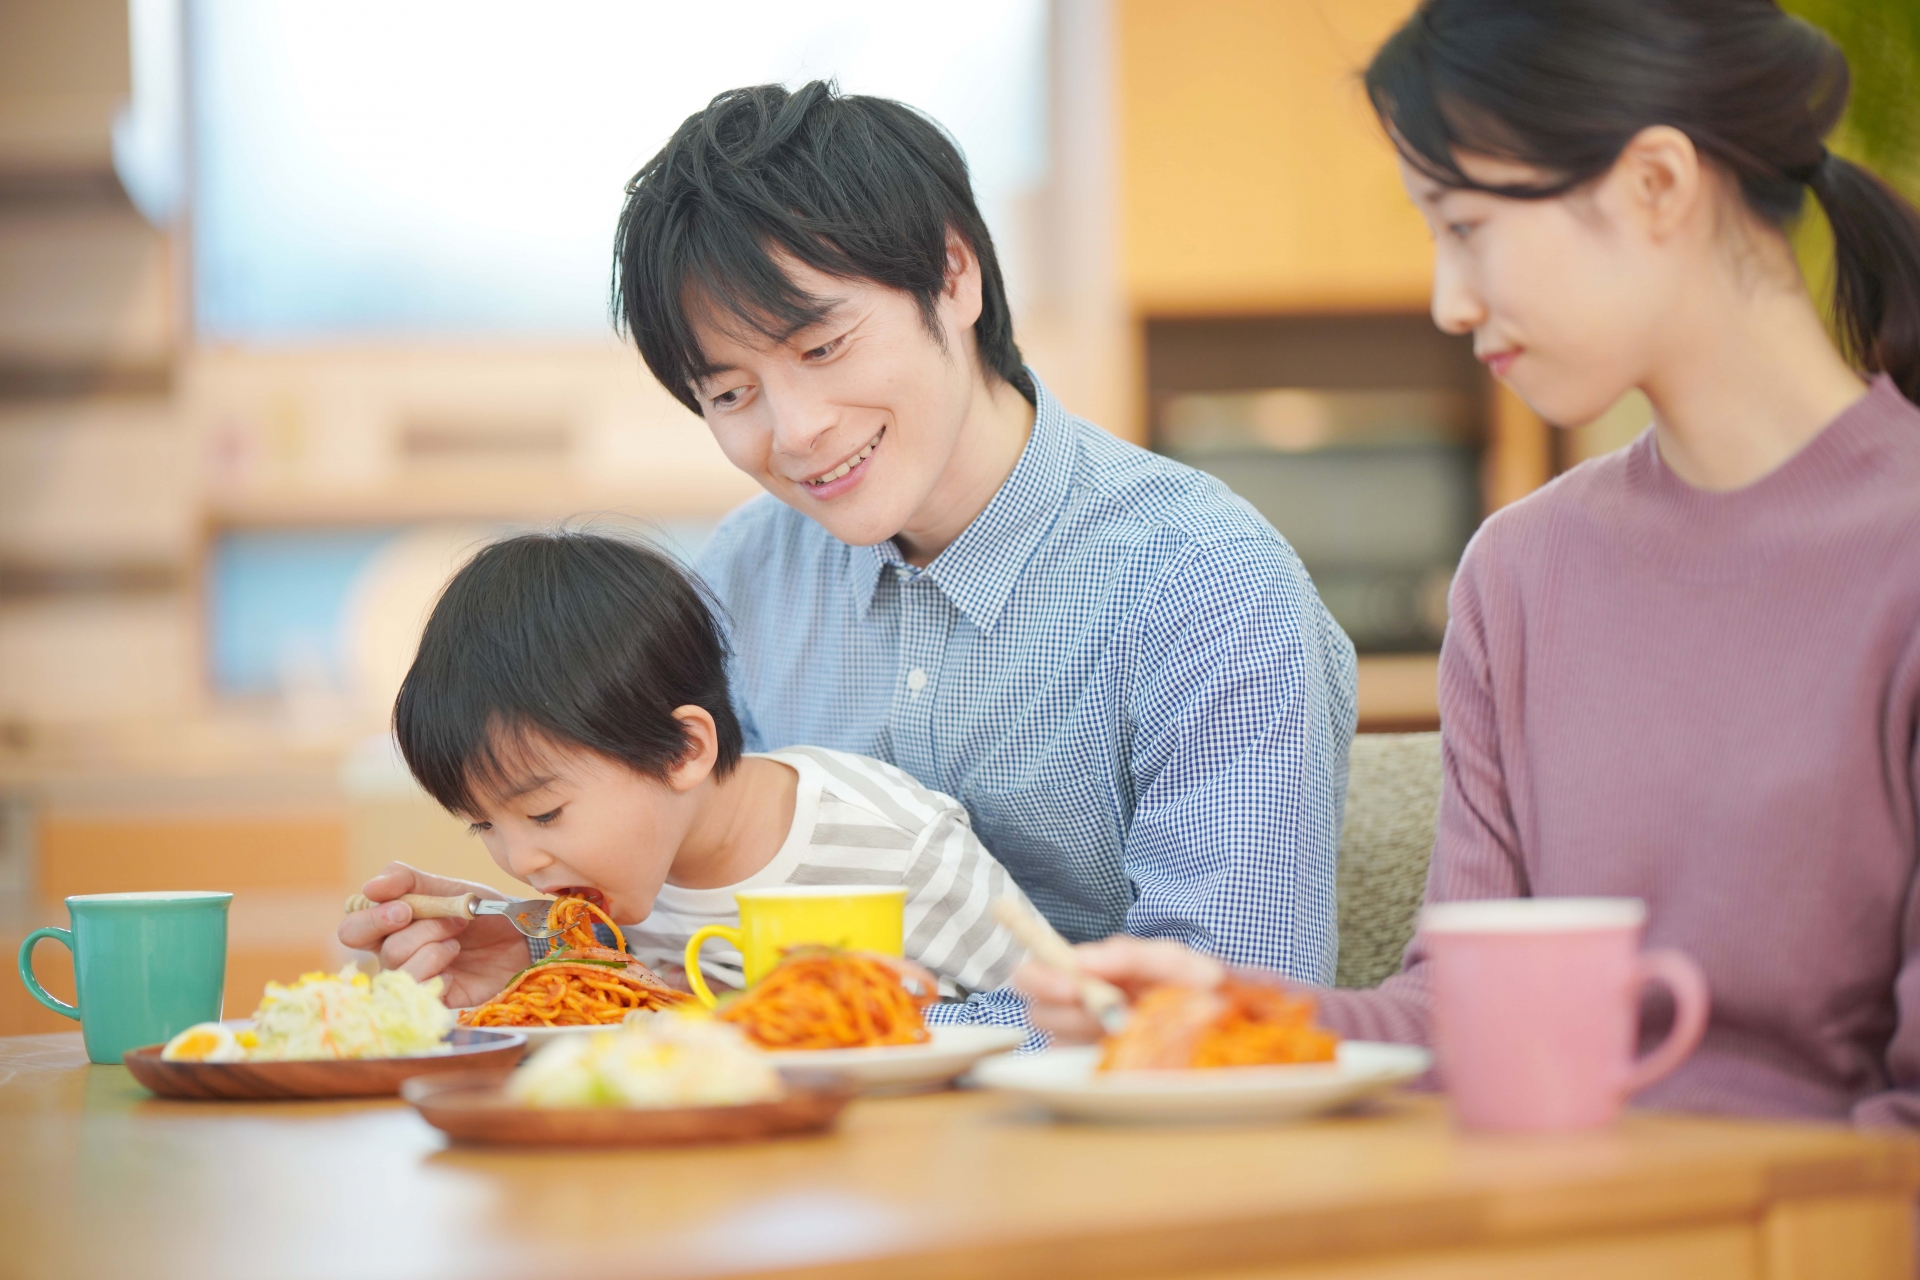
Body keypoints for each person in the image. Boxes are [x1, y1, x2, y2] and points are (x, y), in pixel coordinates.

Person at [1017, 0, 1920, 1126]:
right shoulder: (1521, 572)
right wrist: (1239, 1013)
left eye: (1467, 226)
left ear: (1656, 184)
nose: (1450, 301)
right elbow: (1458, 1015)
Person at [607, 81, 1358, 981]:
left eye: (822, 347)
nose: (797, 430)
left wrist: (909, 1032)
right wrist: (541, 952)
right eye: (732, 394)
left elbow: (1233, 998)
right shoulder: (742, 577)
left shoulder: (1203, 585)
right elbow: (684, 894)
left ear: (952, 274)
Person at [338, 529, 1035, 1019]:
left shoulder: (894, 845)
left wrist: (875, 1018)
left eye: (545, 814)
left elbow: (1059, 1019)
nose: (521, 863)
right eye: (484, 826)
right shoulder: (617, 900)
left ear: (682, 750)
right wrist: (535, 970)